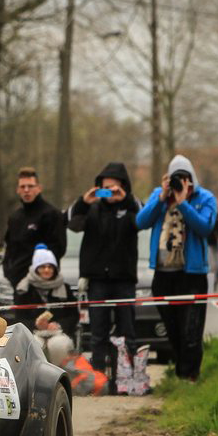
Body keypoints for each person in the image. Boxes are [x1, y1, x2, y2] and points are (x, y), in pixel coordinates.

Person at [136, 155, 217, 382]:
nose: (180, 182)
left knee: (191, 329)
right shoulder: (159, 195)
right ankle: (181, 372)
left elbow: (205, 228)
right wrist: (162, 197)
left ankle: (190, 376)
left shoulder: (205, 198)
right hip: (163, 274)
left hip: (192, 274)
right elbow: (141, 222)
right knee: (172, 327)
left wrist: (183, 203)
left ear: (192, 179)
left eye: (184, 177)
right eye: (175, 177)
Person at [67, 162, 140, 386]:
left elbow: (144, 219)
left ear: (124, 187)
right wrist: (84, 201)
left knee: (127, 331)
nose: (109, 193)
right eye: (105, 188)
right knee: (98, 332)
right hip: (98, 280)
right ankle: (99, 381)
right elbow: (72, 224)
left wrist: (126, 200)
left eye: (114, 188)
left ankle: (128, 379)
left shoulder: (131, 208)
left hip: (124, 279)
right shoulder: (92, 208)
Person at [2, 167, 66, 287]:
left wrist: (42, 271)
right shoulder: (14, 217)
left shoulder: (52, 214)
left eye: (30, 186)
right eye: (22, 187)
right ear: (17, 190)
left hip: (43, 283)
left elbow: (58, 249)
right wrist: (8, 272)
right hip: (17, 281)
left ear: (39, 188)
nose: (26, 190)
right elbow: (9, 250)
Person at [12, 245, 73, 331]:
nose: (46, 270)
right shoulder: (23, 289)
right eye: (42, 267)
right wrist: (35, 325)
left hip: (59, 332)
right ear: (36, 269)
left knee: (60, 340)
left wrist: (59, 325)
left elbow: (73, 315)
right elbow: (18, 318)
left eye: (50, 267)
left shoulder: (65, 288)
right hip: (32, 333)